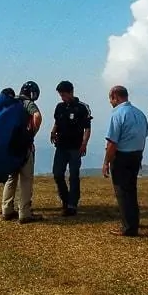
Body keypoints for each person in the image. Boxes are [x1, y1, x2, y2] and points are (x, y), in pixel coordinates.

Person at [102, 85, 148, 237]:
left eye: (111, 99)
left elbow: (112, 142)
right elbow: (143, 135)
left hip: (122, 156)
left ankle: (129, 228)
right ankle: (133, 222)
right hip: (136, 154)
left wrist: (106, 162)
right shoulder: (140, 113)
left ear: (116, 96)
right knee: (131, 189)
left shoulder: (117, 114)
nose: (110, 102)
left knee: (122, 192)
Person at [1, 80, 44, 224]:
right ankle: (24, 213)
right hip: (24, 147)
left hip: (10, 148)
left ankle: (7, 209)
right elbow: (37, 116)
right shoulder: (27, 103)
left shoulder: (11, 103)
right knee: (26, 179)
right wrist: (32, 134)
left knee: (11, 178)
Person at [50, 80, 92, 216]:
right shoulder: (59, 107)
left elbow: (87, 128)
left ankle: (72, 204)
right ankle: (65, 200)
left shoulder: (82, 107)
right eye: (61, 95)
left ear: (71, 92)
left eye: (64, 95)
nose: (62, 98)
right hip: (61, 146)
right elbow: (57, 122)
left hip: (76, 147)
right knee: (57, 174)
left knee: (74, 175)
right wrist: (53, 131)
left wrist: (84, 144)